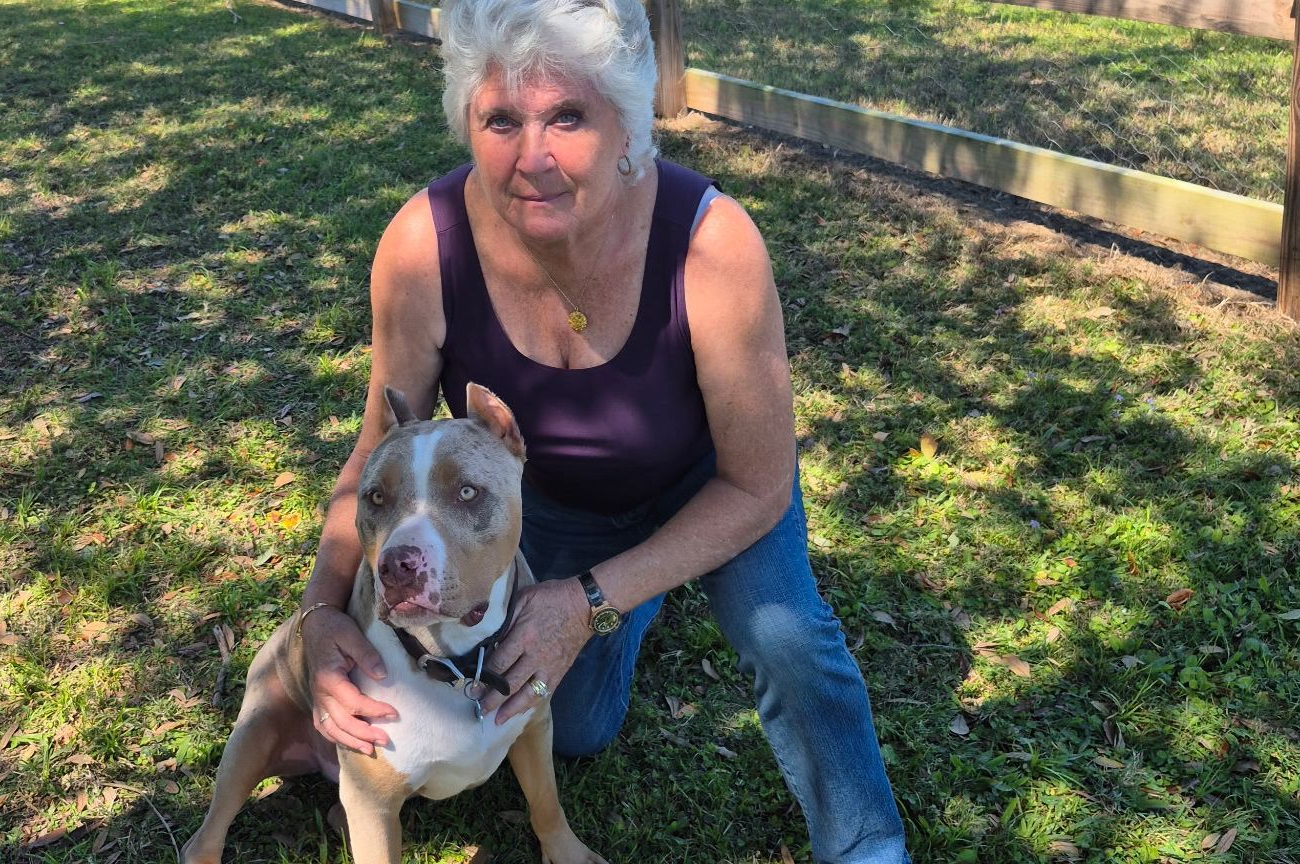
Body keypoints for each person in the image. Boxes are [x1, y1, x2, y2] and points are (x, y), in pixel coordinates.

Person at [292, 0, 911, 860]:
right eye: (501, 120)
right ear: (466, 124)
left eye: (568, 117)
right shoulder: (421, 249)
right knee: (567, 722)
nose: (532, 157)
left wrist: (584, 601)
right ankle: (636, 596)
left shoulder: (712, 245)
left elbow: (760, 485)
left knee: (786, 636)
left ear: (626, 123)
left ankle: (867, 845)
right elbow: (375, 452)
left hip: (712, 487)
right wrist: (319, 615)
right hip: (563, 505)